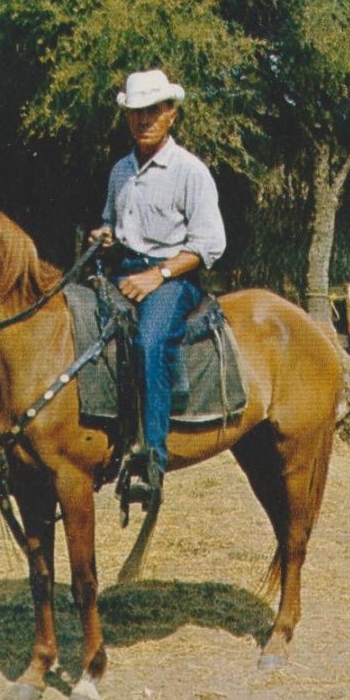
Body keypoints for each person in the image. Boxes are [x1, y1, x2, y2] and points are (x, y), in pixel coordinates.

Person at [88, 69, 226, 504]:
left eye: (153, 111)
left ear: (171, 114)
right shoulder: (121, 171)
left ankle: (152, 459)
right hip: (124, 271)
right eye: (136, 112)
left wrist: (158, 275)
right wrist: (104, 235)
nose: (144, 119)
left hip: (174, 277)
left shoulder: (190, 171)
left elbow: (209, 245)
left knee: (149, 341)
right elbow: (114, 221)